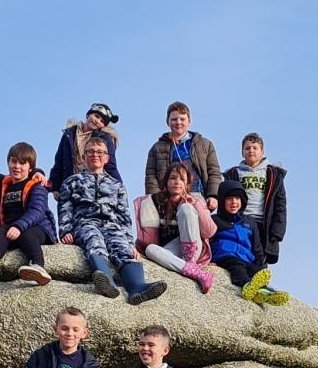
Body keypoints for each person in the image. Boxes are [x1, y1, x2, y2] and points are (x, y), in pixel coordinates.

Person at [58, 140, 167, 305]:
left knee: (123, 249)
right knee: (94, 241)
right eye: (91, 151)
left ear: (107, 158)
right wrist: (65, 231)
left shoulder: (117, 185)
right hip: (86, 223)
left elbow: (124, 216)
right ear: (84, 156)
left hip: (112, 226)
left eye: (100, 152)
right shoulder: (72, 181)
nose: (95, 155)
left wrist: (131, 243)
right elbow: (65, 208)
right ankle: (105, 280)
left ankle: (137, 288)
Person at [0, 142, 57, 286]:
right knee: (1, 232)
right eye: (13, 161)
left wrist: (19, 226)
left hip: (38, 227)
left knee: (27, 234)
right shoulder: (4, 184)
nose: (17, 166)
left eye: (22, 163)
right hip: (11, 227)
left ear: (30, 167)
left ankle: (38, 266)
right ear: (8, 162)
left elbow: (37, 211)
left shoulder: (37, 186)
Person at [136, 164, 216, 293]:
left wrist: (194, 204)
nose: (177, 182)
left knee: (185, 209)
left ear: (186, 184)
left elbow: (209, 232)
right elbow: (148, 238)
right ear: (166, 181)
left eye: (181, 179)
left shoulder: (195, 200)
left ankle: (190, 261)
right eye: (172, 178)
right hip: (172, 250)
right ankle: (197, 273)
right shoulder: (155, 201)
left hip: (194, 248)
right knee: (150, 249)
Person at [210, 180, 289, 305]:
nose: (234, 202)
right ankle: (246, 285)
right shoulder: (215, 220)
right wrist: (208, 260)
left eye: (237, 198)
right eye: (229, 198)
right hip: (224, 255)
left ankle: (264, 292)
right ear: (222, 201)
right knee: (237, 266)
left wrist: (261, 266)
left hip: (246, 258)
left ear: (242, 201)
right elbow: (208, 240)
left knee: (255, 270)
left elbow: (257, 247)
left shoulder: (249, 222)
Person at [223, 132, 287, 265]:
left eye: (255, 148)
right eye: (247, 148)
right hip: (242, 220)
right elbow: (225, 199)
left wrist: (277, 232)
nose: (251, 150)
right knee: (240, 253)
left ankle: (260, 282)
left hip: (263, 223)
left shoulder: (273, 174)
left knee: (260, 259)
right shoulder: (234, 173)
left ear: (262, 152)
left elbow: (280, 204)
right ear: (242, 152)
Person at [144, 101, 222, 208]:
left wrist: (213, 195)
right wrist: (156, 198)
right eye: (174, 119)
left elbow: (214, 172)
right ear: (167, 122)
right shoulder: (157, 148)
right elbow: (151, 176)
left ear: (189, 121)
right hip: (169, 199)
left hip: (198, 196)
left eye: (182, 119)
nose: (178, 122)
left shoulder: (205, 144)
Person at [48, 102, 122, 196]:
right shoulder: (69, 134)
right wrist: (55, 186)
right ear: (88, 115)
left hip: (92, 187)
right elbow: (59, 160)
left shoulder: (104, 140)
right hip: (69, 185)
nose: (97, 121)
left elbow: (111, 166)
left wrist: (119, 188)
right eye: (96, 116)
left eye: (102, 121)